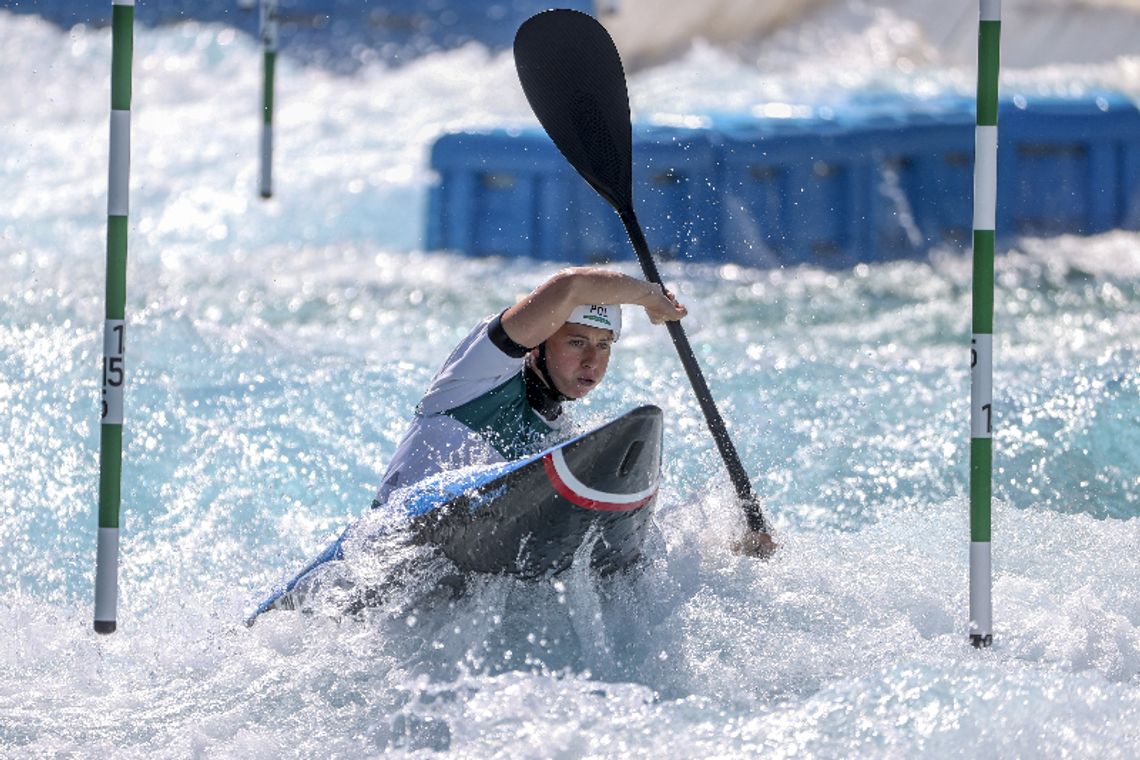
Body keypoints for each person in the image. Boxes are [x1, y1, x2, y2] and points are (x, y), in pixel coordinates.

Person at [374, 265, 775, 556]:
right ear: (540, 341)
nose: (592, 361)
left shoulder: (560, 439)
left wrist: (727, 550)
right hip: (382, 549)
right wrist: (648, 296)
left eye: (604, 346)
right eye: (576, 342)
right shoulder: (477, 375)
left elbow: (626, 540)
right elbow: (570, 286)